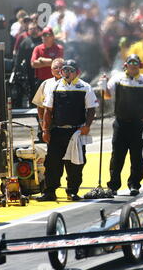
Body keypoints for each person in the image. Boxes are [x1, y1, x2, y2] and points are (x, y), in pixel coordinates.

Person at [102, 54, 143, 196]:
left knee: (138, 157)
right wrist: (104, 85)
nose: (133, 65)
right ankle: (113, 185)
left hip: (140, 124)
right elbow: (107, 96)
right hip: (121, 123)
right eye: (131, 62)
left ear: (139, 65)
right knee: (117, 156)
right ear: (126, 65)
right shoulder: (117, 79)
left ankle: (134, 184)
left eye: (136, 62)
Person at [36, 60, 98, 201]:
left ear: (77, 72)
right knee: (52, 163)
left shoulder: (85, 87)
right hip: (57, 131)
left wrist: (87, 126)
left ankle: (72, 191)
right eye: (65, 70)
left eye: (70, 70)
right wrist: (45, 130)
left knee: (76, 164)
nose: (67, 73)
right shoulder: (55, 87)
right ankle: (49, 191)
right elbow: (47, 110)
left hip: (76, 132)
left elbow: (91, 109)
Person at [31, 27, 64, 141]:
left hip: (57, 81)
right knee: (41, 107)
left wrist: (42, 60)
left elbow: (59, 62)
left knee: (54, 107)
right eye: (43, 35)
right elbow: (34, 63)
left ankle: (55, 129)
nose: (45, 37)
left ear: (53, 36)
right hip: (42, 82)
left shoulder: (58, 48)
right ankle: (42, 131)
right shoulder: (38, 48)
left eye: (48, 35)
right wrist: (50, 61)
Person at [31, 58, 64, 128]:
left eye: (61, 67)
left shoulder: (71, 84)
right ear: (52, 71)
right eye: (55, 68)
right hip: (50, 123)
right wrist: (42, 122)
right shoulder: (46, 83)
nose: (58, 69)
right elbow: (39, 105)